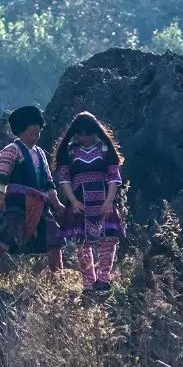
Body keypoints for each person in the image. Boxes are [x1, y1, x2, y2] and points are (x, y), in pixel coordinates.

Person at [0, 105, 65, 275]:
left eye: (38, 132)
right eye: (32, 132)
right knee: (6, 237)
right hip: (17, 203)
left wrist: (57, 203)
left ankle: (57, 277)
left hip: (40, 204)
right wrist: (0, 198)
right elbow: (1, 175)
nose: (35, 136)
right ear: (20, 132)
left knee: (54, 237)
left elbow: (48, 183)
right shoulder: (12, 150)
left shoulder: (41, 154)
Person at [54, 111, 126, 292]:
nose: (85, 138)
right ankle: (88, 282)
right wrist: (73, 201)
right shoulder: (70, 152)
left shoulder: (105, 150)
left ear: (96, 132)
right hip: (80, 203)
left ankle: (104, 279)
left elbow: (113, 178)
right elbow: (65, 180)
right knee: (82, 242)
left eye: (89, 133)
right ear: (75, 134)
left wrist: (109, 201)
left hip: (104, 202)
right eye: (81, 134)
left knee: (108, 240)